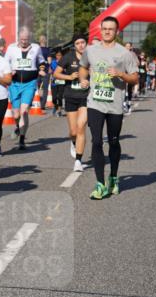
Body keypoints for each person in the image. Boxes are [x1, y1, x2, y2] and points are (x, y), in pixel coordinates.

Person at [80, 18, 139, 199]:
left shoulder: (124, 54)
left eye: (110, 29)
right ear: (100, 30)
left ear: (117, 32)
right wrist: (83, 79)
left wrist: (121, 74)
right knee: (97, 141)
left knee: (113, 142)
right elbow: (83, 67)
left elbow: (135, 78)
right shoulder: (90, 50)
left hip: (114, 105)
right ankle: (100, 184)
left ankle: (113, 176)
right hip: (95, 103)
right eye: (104, 29)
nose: (106, 32)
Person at [4, 27, 45, 151]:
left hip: (30, 83)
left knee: (24, 111)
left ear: (30, 38)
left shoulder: (36, 48)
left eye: (26, 39)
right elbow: (5, 63)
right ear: (18, 37)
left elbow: (42, 61)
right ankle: (18, 127)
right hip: (15, 84)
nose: (24, 42)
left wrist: (42, 69)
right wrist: (9, 72)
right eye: (22, 39)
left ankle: (22, 138)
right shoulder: (11, 48)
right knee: (16, 114)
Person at [54, 36, 89, 172]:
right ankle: (74, 143)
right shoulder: (68, 57)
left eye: (83, 43)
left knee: (81, 128)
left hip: (86, 97)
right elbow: (56, 73)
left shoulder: (92, 58)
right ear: (74, 45)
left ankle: (78, 161)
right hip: (71, 96)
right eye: (77, 43)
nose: (80, 45)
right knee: (73, 131)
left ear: (86, 44)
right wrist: (69, 77)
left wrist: (90, 81)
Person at [51, 49, 66, 117]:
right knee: (54, 98)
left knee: (60, 96)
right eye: (57, 55)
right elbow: (52, 70)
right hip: (54, 82)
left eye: (60, 55)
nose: (58, 56)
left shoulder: (64, 62)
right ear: (55, 56)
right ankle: (55, 107)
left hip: (61, 81)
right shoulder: (53, 62)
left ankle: (59, 110)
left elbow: (66, 71)